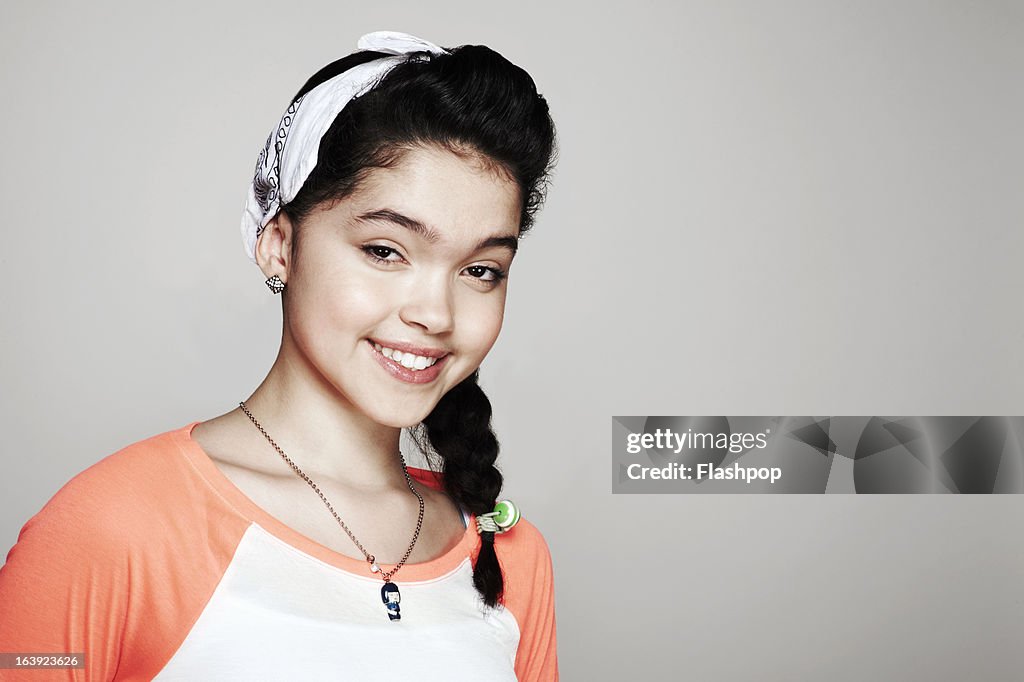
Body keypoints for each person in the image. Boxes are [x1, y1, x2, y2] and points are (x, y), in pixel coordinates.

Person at [0, 30, 559, 681]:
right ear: (278, 243)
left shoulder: (510, 555)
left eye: (481, 270)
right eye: (385, 251)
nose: (435, 313)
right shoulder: (112, 528)